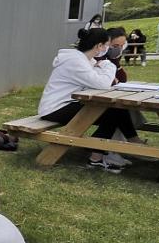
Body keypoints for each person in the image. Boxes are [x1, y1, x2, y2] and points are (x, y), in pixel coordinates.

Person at [37, 27, 138, 172]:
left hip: (66, 103)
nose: (109, 49)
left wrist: (103, 68)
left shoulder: (83, 60)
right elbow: (102, 83)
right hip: (55, 108)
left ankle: (102, 153)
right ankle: (122, 145)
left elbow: (99, 79)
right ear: (99, 46)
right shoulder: (76, 61)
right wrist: (109, 64)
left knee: (115, 111)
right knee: (112, 112)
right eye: (108, 45)